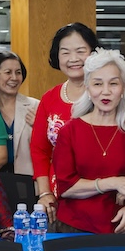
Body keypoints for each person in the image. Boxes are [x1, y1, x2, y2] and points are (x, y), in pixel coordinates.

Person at [52, 48, 125, 234]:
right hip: (76, 228)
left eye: (113, 83)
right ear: (87, 88)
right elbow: (66, 187)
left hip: (124, 228)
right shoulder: (70, 131)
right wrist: (113, 182)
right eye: (97, 84)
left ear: (123, 88)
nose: (106, 91)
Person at [29, 22, 100, 220]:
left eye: (80, 51)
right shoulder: (49, 98)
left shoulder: (108, 94)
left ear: (93, 53)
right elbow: (39, 150)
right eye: (65, 52)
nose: (73, 59)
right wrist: (44, 193)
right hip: (58, 197)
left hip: (101, 195)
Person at [0, 51, 38, 177]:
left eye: (18, 72)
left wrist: (39, 127)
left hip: (28, 180)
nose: (14, 78)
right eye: (8, 72)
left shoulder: (36, 106)